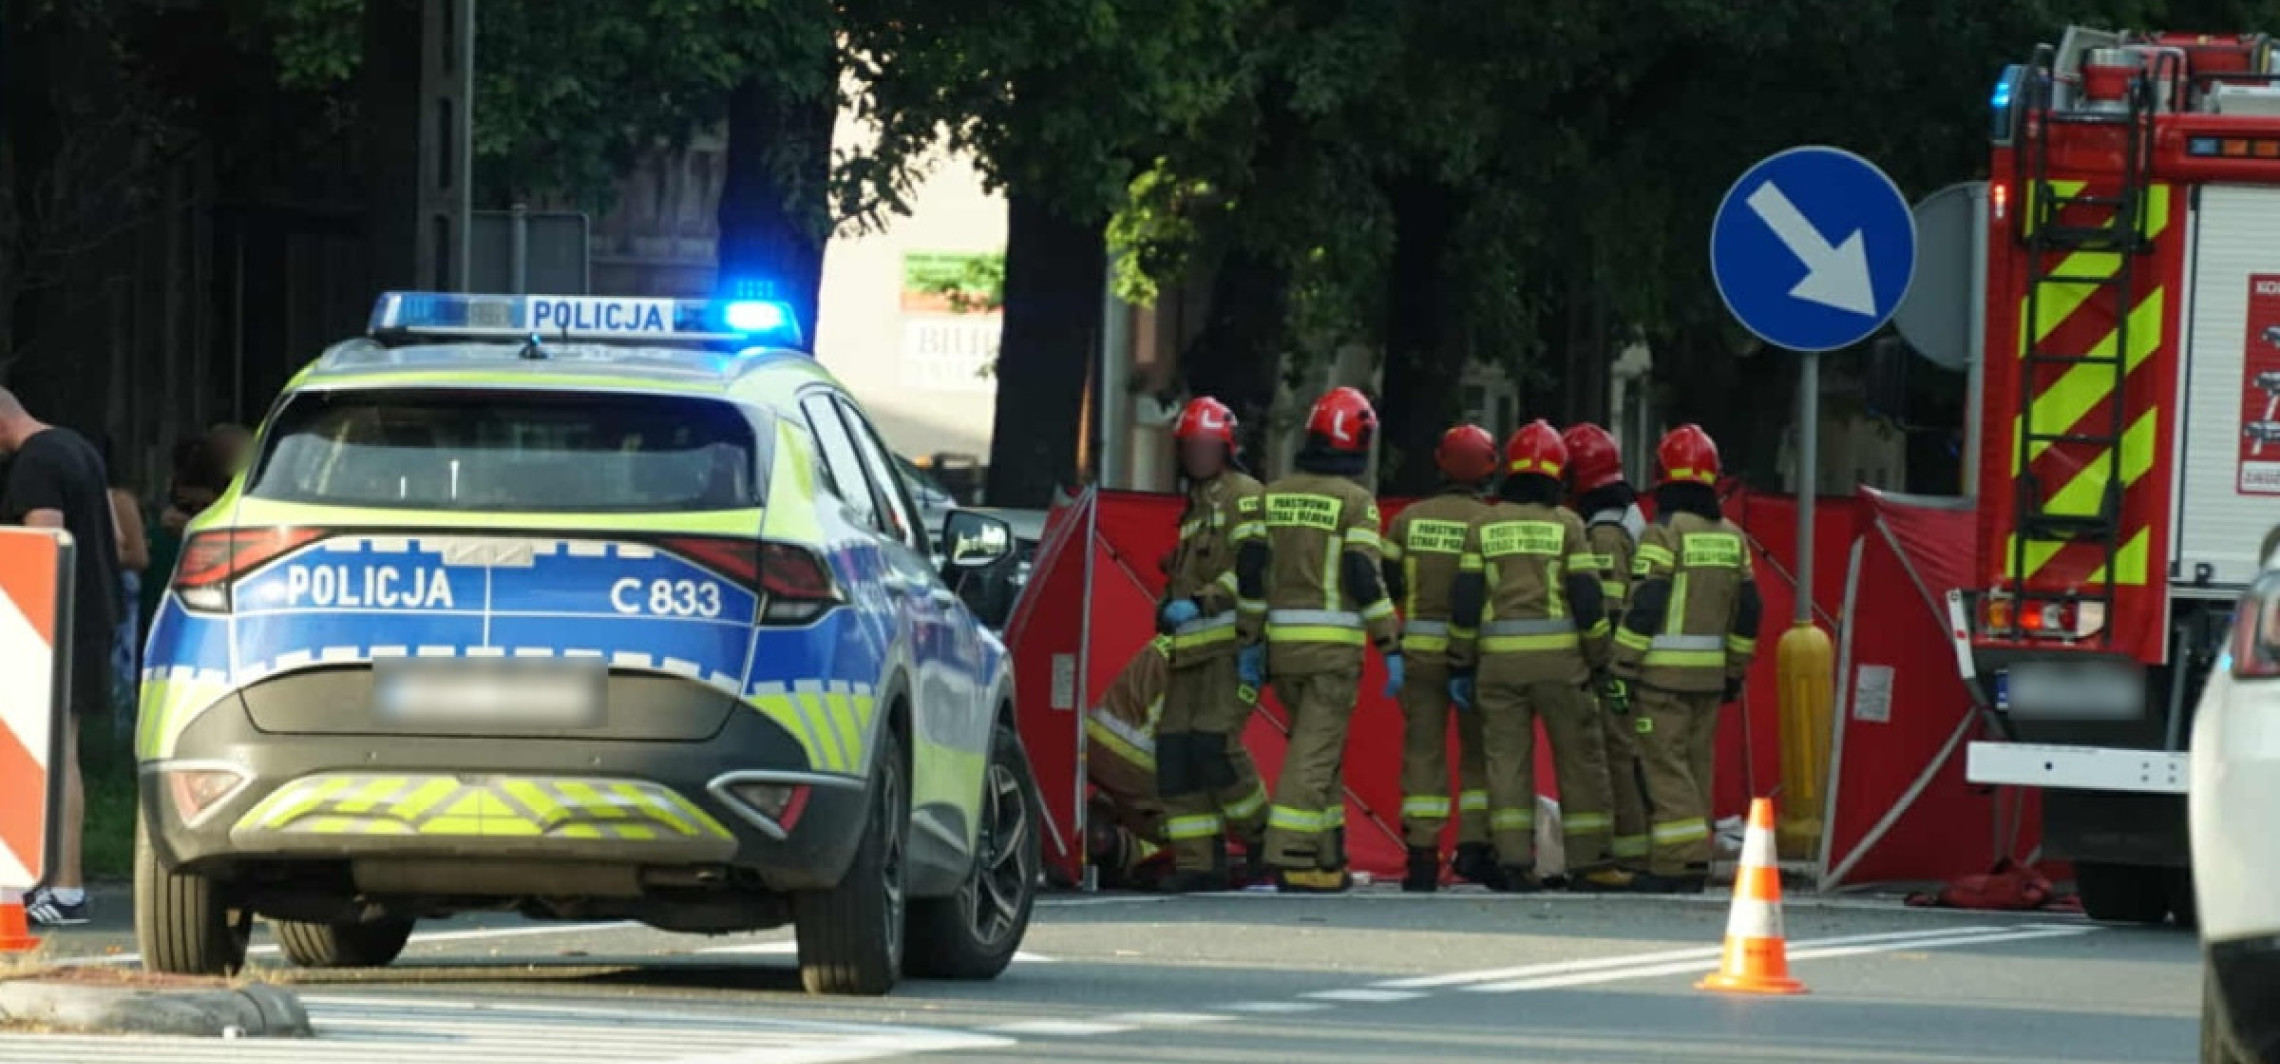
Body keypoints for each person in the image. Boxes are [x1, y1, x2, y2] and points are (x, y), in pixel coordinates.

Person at [1447, 420, 1631, 893]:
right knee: (1580, 760)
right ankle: (1591, 862)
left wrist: (1461, 661)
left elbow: (1465, 602)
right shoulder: (1567, 524)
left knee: (1506, 762)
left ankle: (1512, 860)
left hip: (1497, 666)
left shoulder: (1483, 525)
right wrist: (1599, 656)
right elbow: (1587, 600)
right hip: (1560, 666)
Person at [1236, 386, 1401, 893]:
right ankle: (1289, 855)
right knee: (1313, 753)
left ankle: (1328, 856)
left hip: (1281, 647)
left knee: (1321, 752)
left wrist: (1250, 638)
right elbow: (1362, 575)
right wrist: (1390, 644)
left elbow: (1251, 571)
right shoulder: (1355, 502)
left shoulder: (1272, 495)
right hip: (1331, 651)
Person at [1607, 424, 1763, 895]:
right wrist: (1734, 669)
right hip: (1710, 678)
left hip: (1662, 678)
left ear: (1663, 478)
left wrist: (1621, 666)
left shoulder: (1663, 533)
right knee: (1696, 765)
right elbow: (1749, 610)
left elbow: (1647, 605)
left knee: (1664, 765)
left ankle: (1678, 862)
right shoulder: (1733, 537)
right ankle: (1695, 858)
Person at [0, 391, 121, 927]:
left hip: (54, 625)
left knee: (54, 755)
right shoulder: (77, 448)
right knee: (58, 752)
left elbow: (41, 543)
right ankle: (52, 884)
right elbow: (114, 536)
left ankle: (64, 890)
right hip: (92, 620)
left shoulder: (36, 462)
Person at [1153, 397, 1273, 892]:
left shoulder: (1245, 494)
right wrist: (1166, 605)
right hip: (1188, 651)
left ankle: (1266, 842)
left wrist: (1204, 602)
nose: (1195, 456)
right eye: (1189, 447)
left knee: (1216, 747)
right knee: (1175, 751)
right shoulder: (1196, 505)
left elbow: (1250, 565)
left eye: (1204, 447)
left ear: (1225, 448)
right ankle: (1198, 863)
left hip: (1226, 647)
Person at [1380, 424, 1500, 892]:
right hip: (1476, 657)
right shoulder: (1491, 523)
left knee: (1422, 753)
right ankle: (1473, 848)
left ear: (1440, 460)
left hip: (1419, 655)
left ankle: (1423, 858)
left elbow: (1389, 583)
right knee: (1478, 755)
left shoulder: (1408, 520)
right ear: (1489, 467)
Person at [1562, 422, 1652, 873]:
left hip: (1619, 662)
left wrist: (1606, 668)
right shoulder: (1629, 515)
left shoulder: (1604, 531)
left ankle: (1631, 855)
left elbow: (1607, 605)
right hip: (1642, 659)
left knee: (1618, 754)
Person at [1086, 637, 1177, 890]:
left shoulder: (1168, 641)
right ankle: (1107, 845)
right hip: (1137, 758)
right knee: (1194, 833)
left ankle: (1104, 837)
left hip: (1097, 740)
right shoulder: (1217, 658)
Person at [98, 436, 150, 730]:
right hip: (97, 589)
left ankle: (122, 729)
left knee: (123, 661)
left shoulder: (119, 500)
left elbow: (139, 556)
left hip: (121, 587)